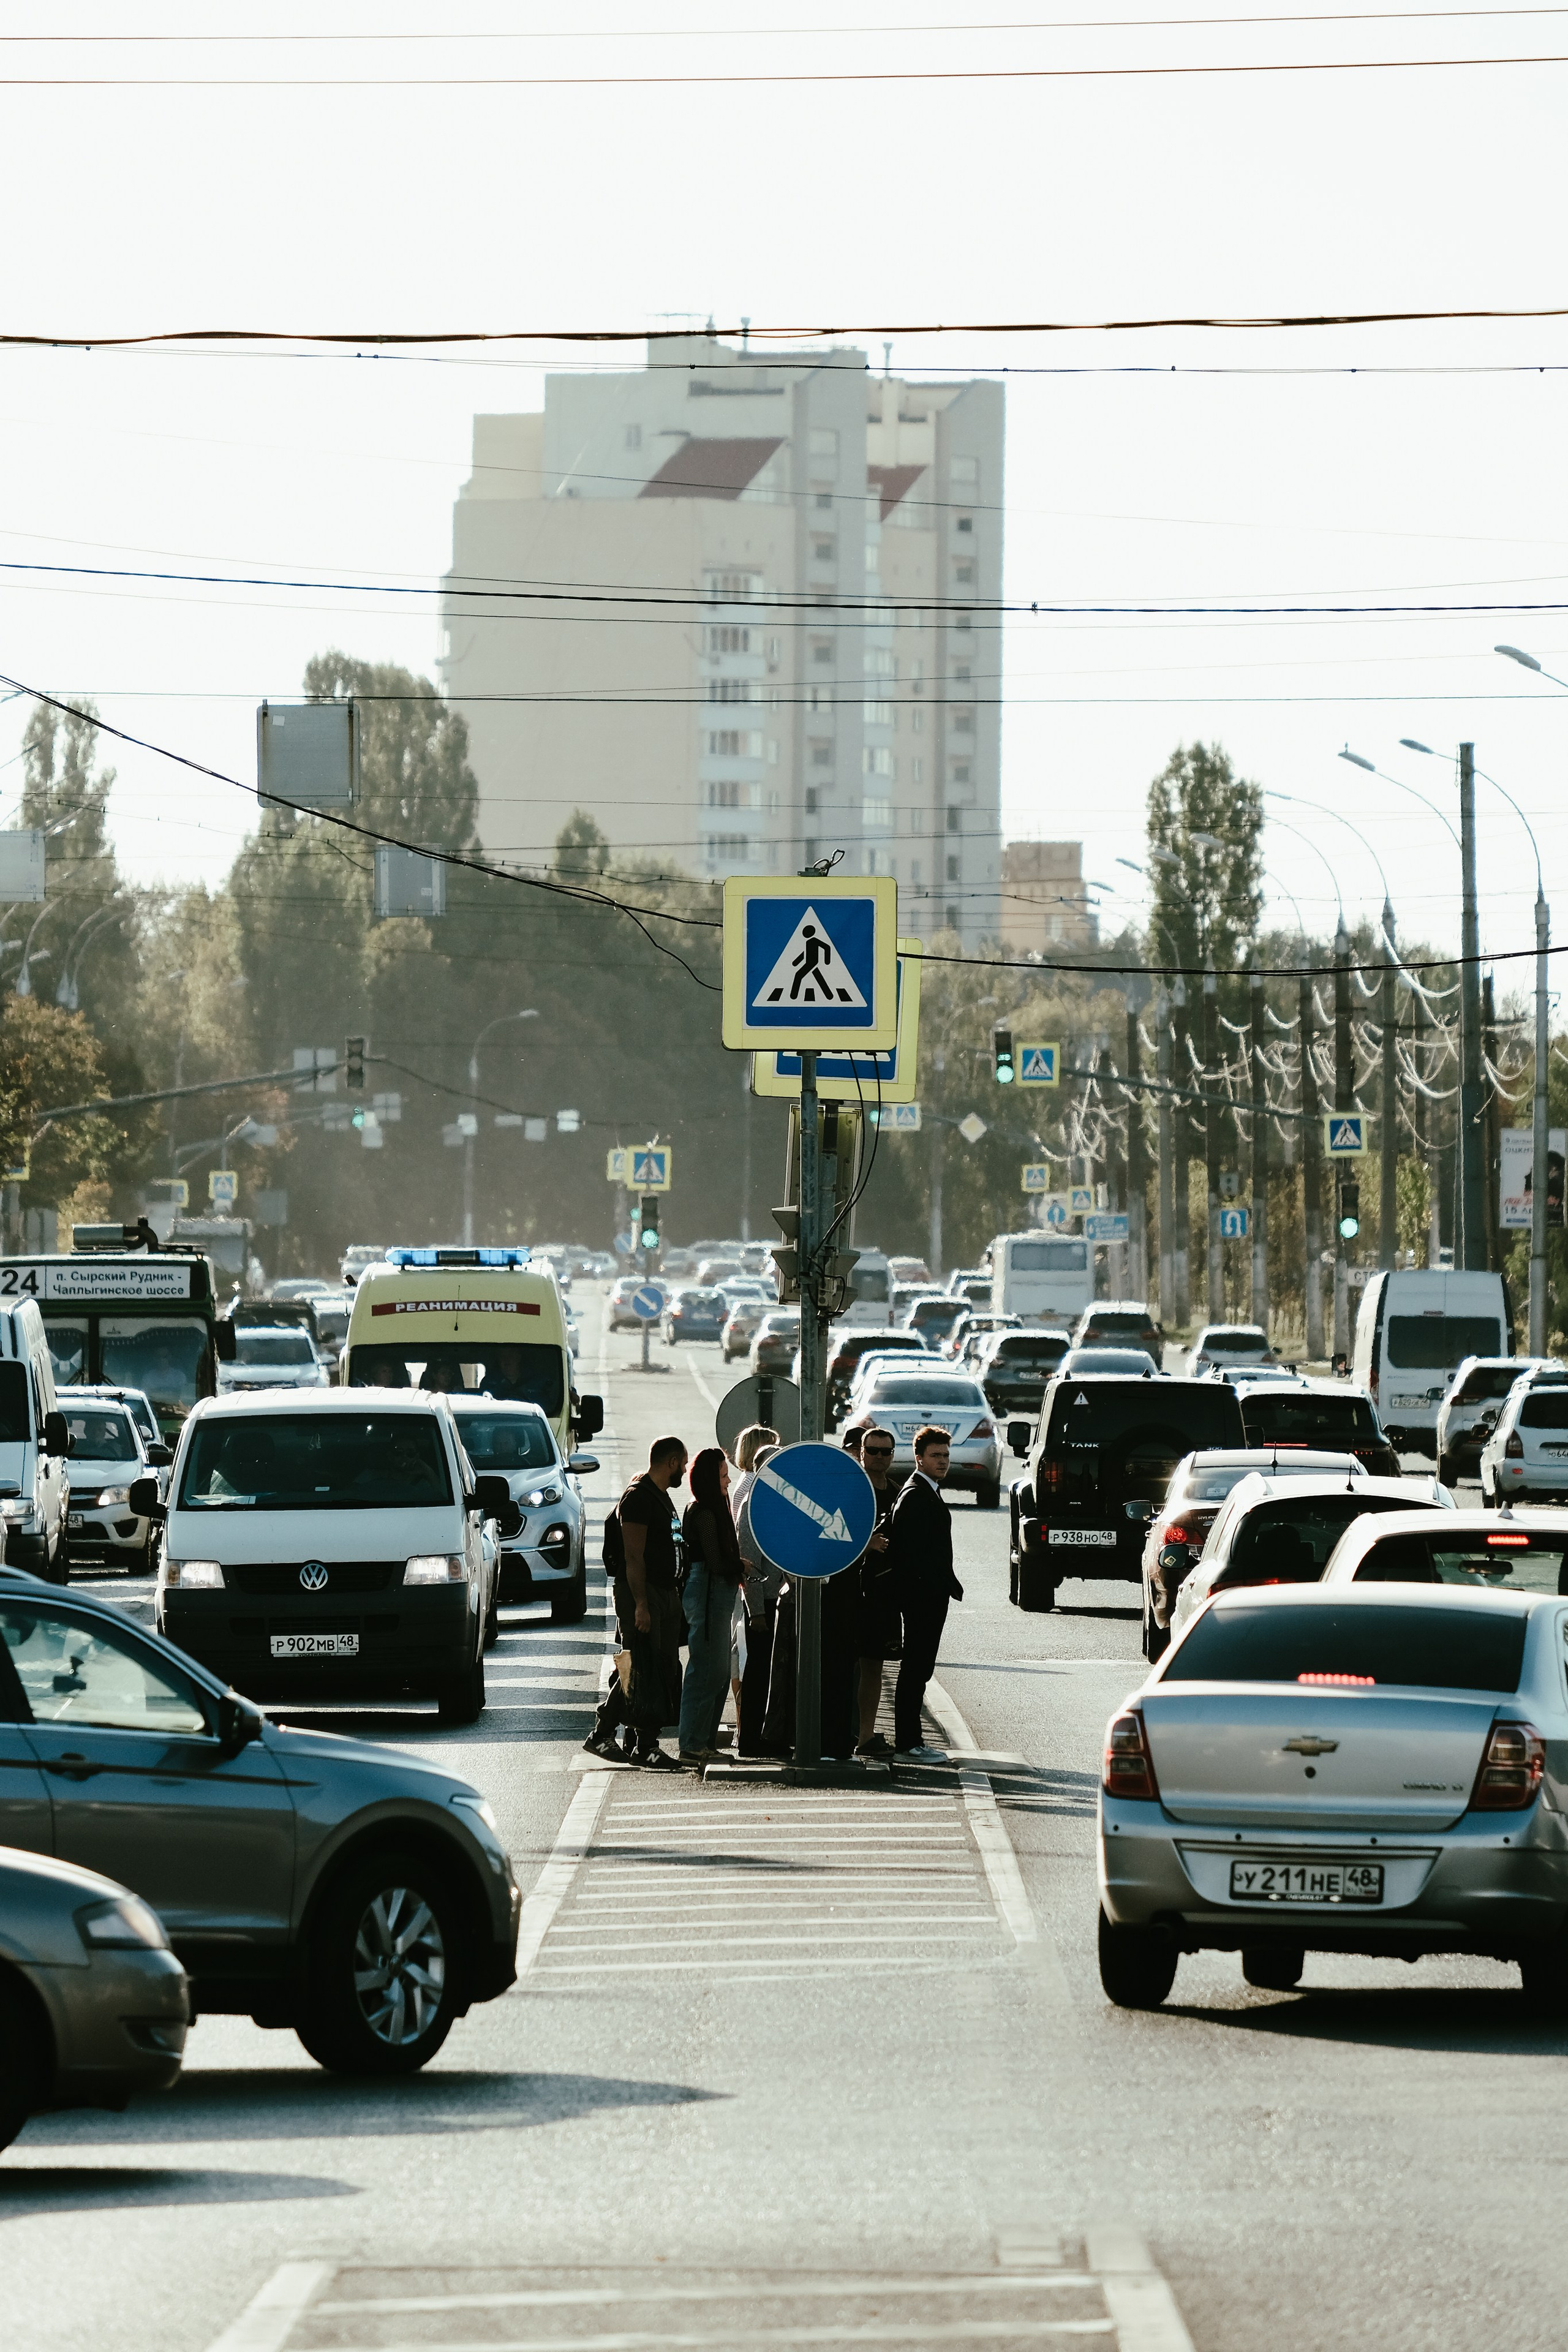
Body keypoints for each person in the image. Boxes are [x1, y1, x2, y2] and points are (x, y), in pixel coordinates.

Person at [584, 1434, 688, 1770]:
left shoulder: (661, 1498)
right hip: (643, 1595)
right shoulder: (638, 1499)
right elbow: (633, 1556)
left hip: (666, 1594)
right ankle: (605, 1733)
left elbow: (672, 1544)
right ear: (671, 1462)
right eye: (682, 1464)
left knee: (661, 1670)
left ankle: (645, 1744)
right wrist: (641, 1604)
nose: (684, 1471)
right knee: (641, 1668)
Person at [884, 1424, 963, 1762]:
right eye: (936, 1455)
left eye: (946, 1455)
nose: (943, 1461)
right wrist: (931, 1588)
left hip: (928, 1595)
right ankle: (908, 1744)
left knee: (920, 1669)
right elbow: (910, 1553)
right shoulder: (916, 1494)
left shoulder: (926, 1489)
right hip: (921, 1598)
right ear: (919, 1458)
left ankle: (911, 1741)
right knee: (916, 1669)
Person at [678, 1447, 745, 1765]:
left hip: (716, 1592)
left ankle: (703, 1742)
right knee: (706, 1670)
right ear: (708, 1478)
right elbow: (715, 1562)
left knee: (717, 1671)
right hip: (707, 1593)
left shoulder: (712, 1508)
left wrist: (736, 1565)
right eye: (722, 1474)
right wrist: (738, 1567)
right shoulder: (704, 1512)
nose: (729, 1480)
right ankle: (692, 1743)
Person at [851, 1423, 900, 1760]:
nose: (879, 1457)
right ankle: (842, 1731)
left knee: (874, 1667)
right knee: (846, 1666)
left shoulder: (897, 1493)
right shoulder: (853, 1489)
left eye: (886, 1452)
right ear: (862, 1453)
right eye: (873, 1451)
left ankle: (865, 1735)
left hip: (884, 1594)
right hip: (850, 1591)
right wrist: (865, 1545)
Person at [741, 1443, 790, 1756]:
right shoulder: (752, 1504)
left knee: (772, 1673)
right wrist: (757, 1611)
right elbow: (750, 1563)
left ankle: (768, 1737)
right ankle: (750, 1742)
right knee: (758, 1673)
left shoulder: (777, 1501)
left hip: (777, 1600)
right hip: (762, 1605)